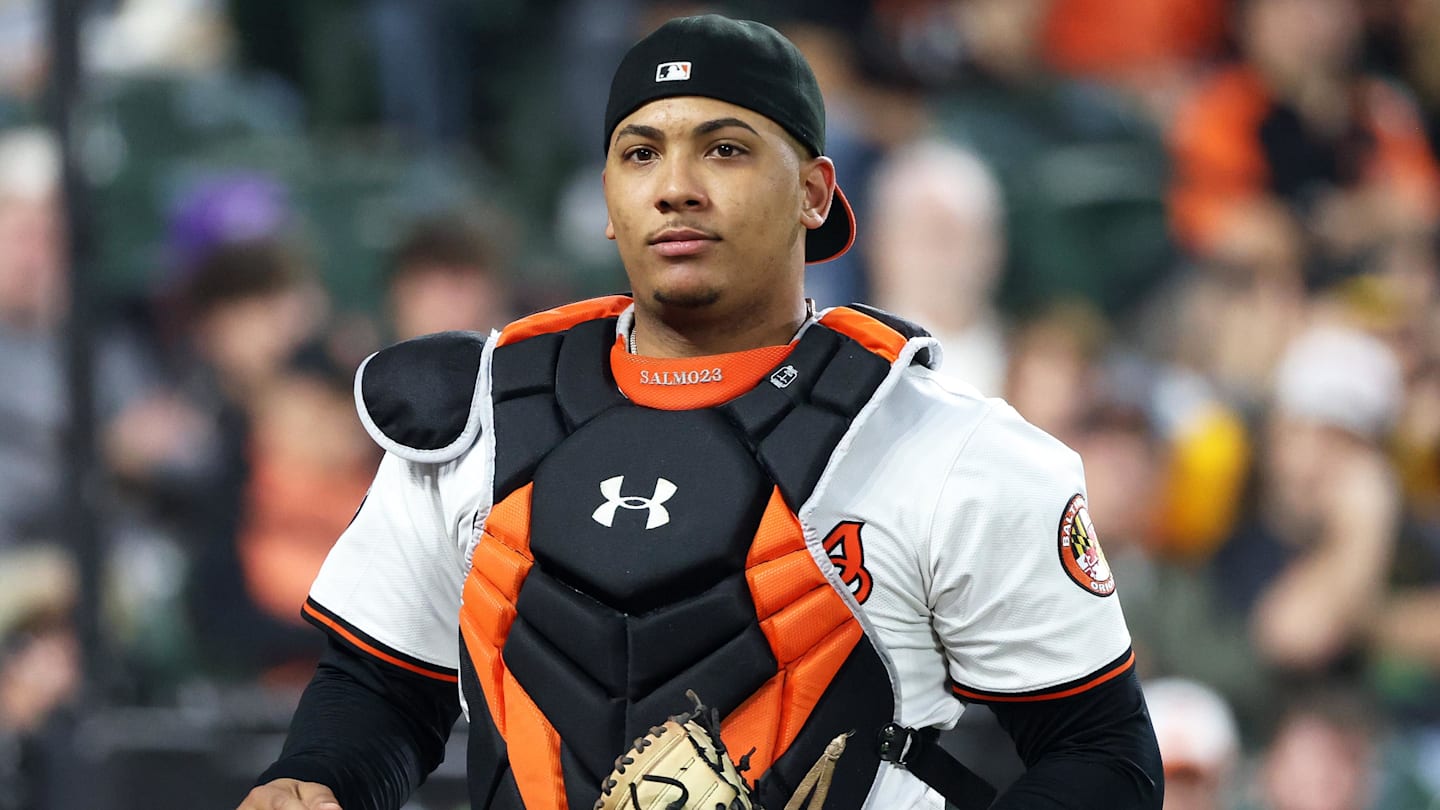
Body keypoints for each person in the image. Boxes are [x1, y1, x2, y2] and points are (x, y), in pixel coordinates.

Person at [239, 15, 1162, 810]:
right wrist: (316, 779)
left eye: (724, 148)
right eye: (640, 152)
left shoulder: (942, 445)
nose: (674, 185)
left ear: (813, 191)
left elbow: (1101, 756)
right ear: (607, 198)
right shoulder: (479, 418)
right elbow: (382, 688)